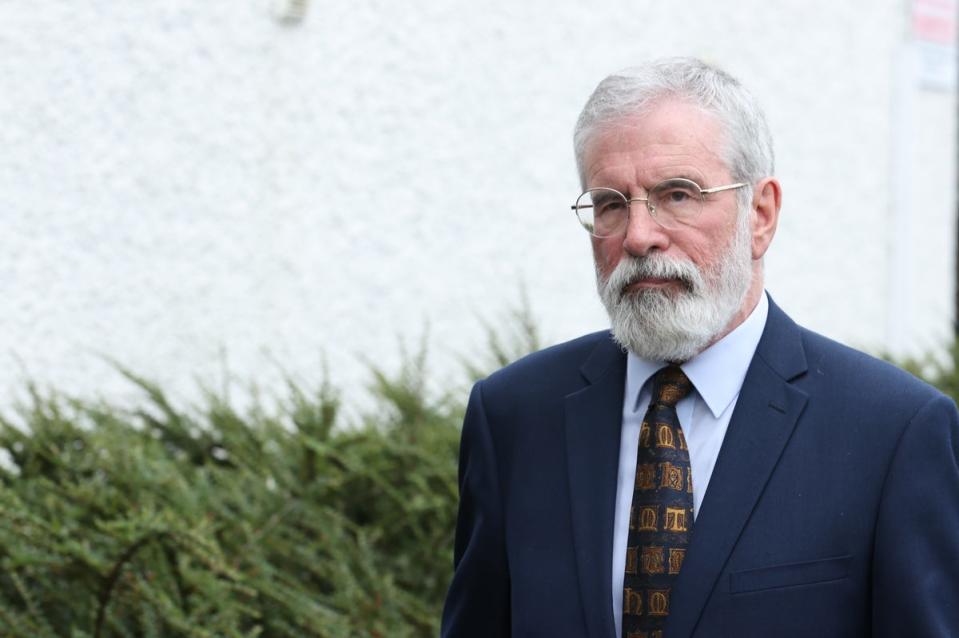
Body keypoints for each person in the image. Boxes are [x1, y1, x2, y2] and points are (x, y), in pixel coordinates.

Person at [440, 57, 959, 638]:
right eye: (611, 203)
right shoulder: (514, 416)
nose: (639, 235)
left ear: (760, 215)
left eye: (678, 194)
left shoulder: (891, 431)